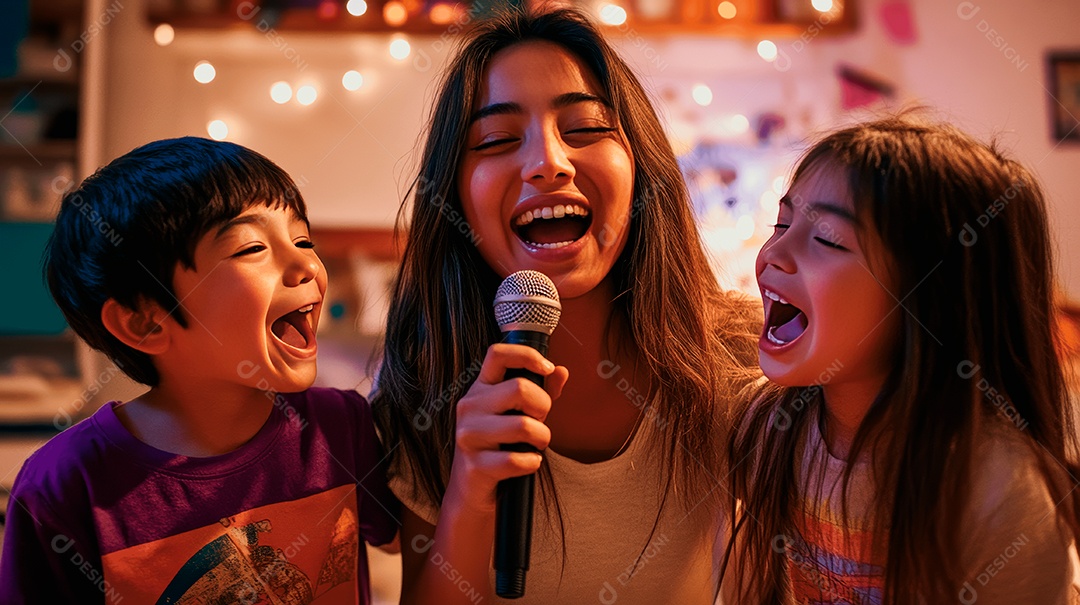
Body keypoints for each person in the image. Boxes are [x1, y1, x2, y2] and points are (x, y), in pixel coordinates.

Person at [371, 7, 760, 604]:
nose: (548, 162)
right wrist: (470, 491)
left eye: (584, 129)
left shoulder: (733, 351)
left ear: (640, 168)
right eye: (497, 140)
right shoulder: (426, 385)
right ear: (456, 197)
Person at [0, 137, 400, 603]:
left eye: (302, 238)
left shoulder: (338, 426)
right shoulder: (65, 484)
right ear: (147, 322)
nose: (306, 263)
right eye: (251, 248)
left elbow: (423, 539)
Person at [725, 115, 1080, 603]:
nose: (773, 255)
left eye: (826, 238)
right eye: (781, 224)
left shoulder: (1000, 493)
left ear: (933, 297)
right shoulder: (765, 428)